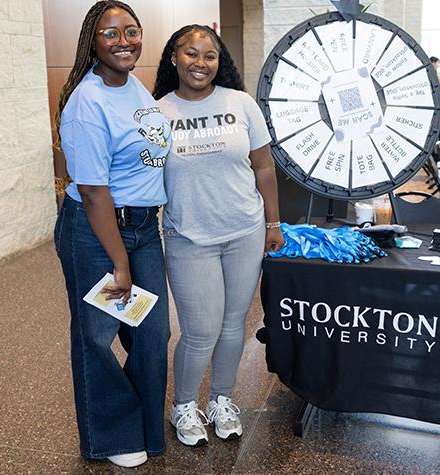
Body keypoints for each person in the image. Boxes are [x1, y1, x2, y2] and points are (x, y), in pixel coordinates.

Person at [152, 25, 284, 448]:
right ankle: (184, 405)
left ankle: (221, 400)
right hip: (189, 237)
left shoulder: (240, 103)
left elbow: (263, 166)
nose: (200, 63)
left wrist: (273, 224)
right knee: (200, 331)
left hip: (245, 230)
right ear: (174, 58)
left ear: (219, 61)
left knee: (232, 325)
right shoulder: (157, 112)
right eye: (191, 54)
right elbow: (144, 176)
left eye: (209, 56)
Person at [52, 0, 171, 468]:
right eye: (111, 33)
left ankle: (144, 427)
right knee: (97, 335)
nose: (124, 41)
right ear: (92, 41)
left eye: (131, 31)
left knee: (152, 333)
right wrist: (119, 261)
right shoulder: (88, 102)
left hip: (142, 226)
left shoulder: (134, 85)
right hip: (96, 231)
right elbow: (93, 190)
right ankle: (111, 437)